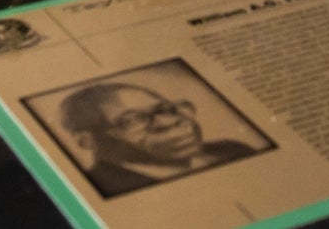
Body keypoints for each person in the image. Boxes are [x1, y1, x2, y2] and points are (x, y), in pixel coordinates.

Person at [59, 82, 257, 197]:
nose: (168, 122)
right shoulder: (101, 187)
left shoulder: (233, 150)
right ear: (87, 141)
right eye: (133, 120)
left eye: (167, 109)